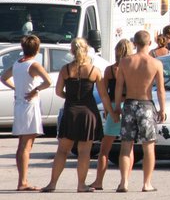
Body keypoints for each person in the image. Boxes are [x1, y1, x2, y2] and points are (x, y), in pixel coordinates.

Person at [42, 38, 103, 192]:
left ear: (72, 51)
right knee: (84, 151)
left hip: (70, 111)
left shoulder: (65, 69)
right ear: (87, 50)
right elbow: (103, 95)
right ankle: (81, 185)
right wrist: (110, 111)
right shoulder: (94, 71)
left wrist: (69, 97)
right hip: (88, 112)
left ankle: (52, 183)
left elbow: (58, 92)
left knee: (62, 150)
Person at [113, 31, 166, 192]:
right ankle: (146, 183)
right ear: (150, 43)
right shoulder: (155, 63)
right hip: (146, 105)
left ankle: (124, 182)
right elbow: (160, 90)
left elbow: (119, 86)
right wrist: (162, 108)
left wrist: (116, 107)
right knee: (148, 146)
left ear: (134, 43)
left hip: (129, 104)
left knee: (126, 146)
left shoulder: (125, 62)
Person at [1, 35, 53, 191]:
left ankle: (22, 180)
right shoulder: (33, 65)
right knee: (26, 144)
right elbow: (48, 81)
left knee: (23, 143)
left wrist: (16, 88)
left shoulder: (17, 64)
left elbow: (4, 77)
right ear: (36, 49)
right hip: (29, 105)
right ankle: (22, 182)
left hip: (19, 104)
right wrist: (36, 89)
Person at [90, 38, 132, 190]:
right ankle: (124, 180)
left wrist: (108, 109)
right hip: (129, 106)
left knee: (105, 148)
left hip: (114, 105)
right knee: (128, 148)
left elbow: (105, 94)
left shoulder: (110, 70)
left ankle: (99, 181)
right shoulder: (132, 69)